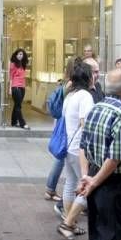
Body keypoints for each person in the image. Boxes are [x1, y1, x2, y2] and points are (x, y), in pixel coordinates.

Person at [78, 68, 121, 240]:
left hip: (95, 176)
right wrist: (93, 181)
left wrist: (86, 177)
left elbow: (82, 145)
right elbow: (115, 157)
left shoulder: (96, 107)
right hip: (115, 183)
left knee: (98, 235)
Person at [56, 62, 94, 240]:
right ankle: (68, 224)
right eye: (93, 73)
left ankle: (70, 220)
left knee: (71, 182)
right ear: (87, 78)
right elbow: (85, 124)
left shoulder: (70, 95)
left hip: (68, 147)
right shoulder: (85, 96)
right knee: (87, 187)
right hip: (80, 148)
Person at [45, 57, 82, 202]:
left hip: (62, 122)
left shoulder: (66, 82)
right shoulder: (71, 84)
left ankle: (51, 189)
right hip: (67, 124)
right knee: (62, 157)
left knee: (61, 157)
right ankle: (51, 189)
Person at [9, 48, 30, 129]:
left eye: (21, 54)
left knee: (17, 104)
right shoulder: (13, 64)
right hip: (15, 86)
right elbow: (11, 77)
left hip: (22, 86)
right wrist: (10, 88)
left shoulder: (23, 64)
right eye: (19, 54)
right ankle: (22, 123)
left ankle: (13, 122)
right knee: (18, 106)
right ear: (16, 55)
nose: (20, 56)